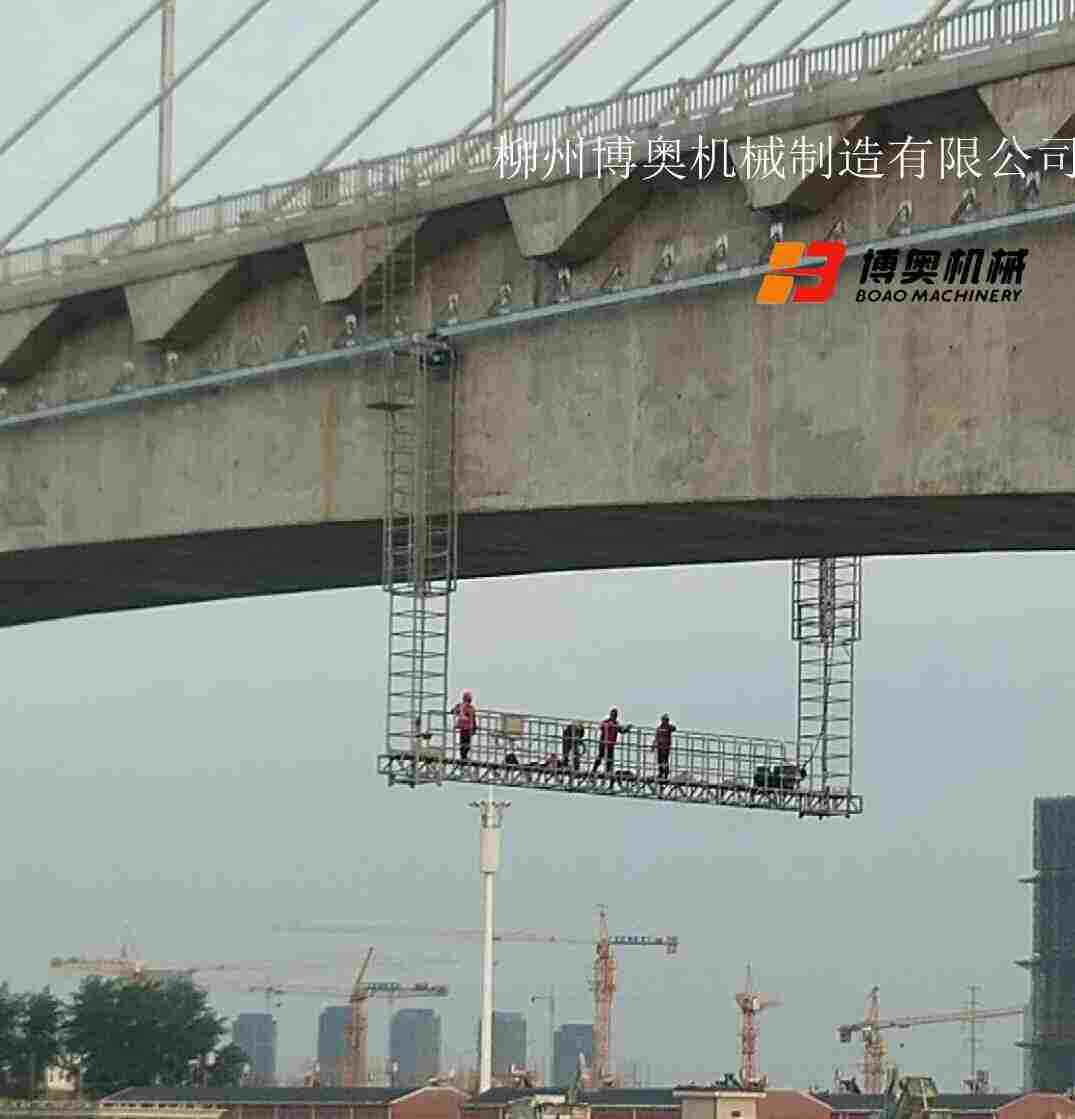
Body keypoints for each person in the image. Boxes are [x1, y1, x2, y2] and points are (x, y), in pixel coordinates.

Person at [592, 708, 631, 777]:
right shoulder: (606, 721)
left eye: (615, 715)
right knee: (600, 757)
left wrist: (627, 729)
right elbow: (601, 726)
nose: (613, 716)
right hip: (603, 744)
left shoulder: (616, 724)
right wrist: (608, 725)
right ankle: (594, 770)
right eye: (612, 715)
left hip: (610, 745)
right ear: (610, 715)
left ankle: (607, 772)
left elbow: (621, 730)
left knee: (609, 760)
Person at [451, 690, 477, 761]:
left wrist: (474, 728)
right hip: (466, 728)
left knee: (464, 744)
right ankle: (463, 757)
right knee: (465, 744)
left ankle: (463, 757)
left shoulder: (463, 706)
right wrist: (475, 728)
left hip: (465, 728)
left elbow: (453, 711)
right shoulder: (467, 707)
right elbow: (473, 719)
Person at [652, 714, 676, 781]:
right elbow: (656, 737)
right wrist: (653, 746)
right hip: (660, 746)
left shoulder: (668, 727)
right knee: (660, 760)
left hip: (666, 747)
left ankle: (665, 774)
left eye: (667, 720)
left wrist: (669, 726)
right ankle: (661, 773)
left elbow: (674, 728)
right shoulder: (659, 728)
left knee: (665, 760)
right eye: (665, 720)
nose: (665, 721)